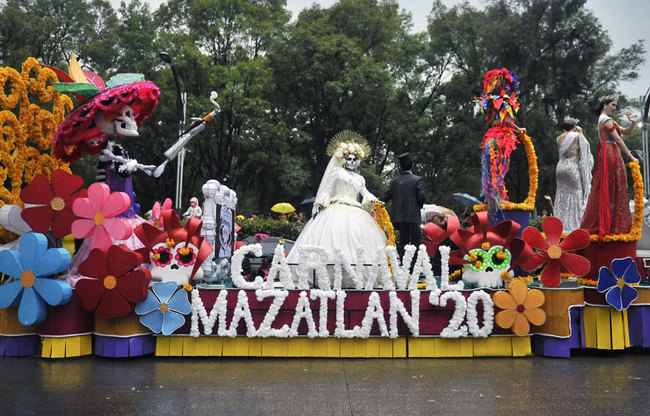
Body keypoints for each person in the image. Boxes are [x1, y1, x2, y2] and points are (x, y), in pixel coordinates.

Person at [287, 131, 387, 286]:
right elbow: (327, 189)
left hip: (355, 210)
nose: (352, 162)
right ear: (343, 159)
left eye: (354, 159)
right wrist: (321, 203)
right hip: (336, 207)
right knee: (333, 237)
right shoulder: (337, 172)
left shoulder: (360, 178)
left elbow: (365, 193)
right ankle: (329, 273)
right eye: (349, 159)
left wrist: (376, 201)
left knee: (357, 242)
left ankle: (356, 274)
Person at [580, 95, 637, 237]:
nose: (615, 108)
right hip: (610, 153)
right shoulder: (606, 121)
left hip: (610, 153)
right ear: (605, 105)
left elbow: (625, 132)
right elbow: (618, 139)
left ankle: (613, 223)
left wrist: (633, 123)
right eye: (613, 104)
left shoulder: (608, 120)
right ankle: (612, 224)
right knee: (613, 186)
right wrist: (630, 156)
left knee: (613, 186)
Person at [381, 152, 426, 257]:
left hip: (399, 218)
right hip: (414, 217)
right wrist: (419, 205)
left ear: (400, 167)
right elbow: (421, 197)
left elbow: (385, 196)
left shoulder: (394, 181)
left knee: (403, 243)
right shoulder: (417, 179)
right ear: (412, 165)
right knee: (415, 244)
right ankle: (413, 268)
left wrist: (376, 202)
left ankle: (403, 266)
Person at [553, 118, 593, 232]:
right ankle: (575, 225)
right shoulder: (577, 136)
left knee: (562, 195)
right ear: (574, 126)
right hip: (572, 166)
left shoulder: (558, 138)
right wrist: (581, 133)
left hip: (560, 167)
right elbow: (586, 147)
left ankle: (562, 224)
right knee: (577, 194)